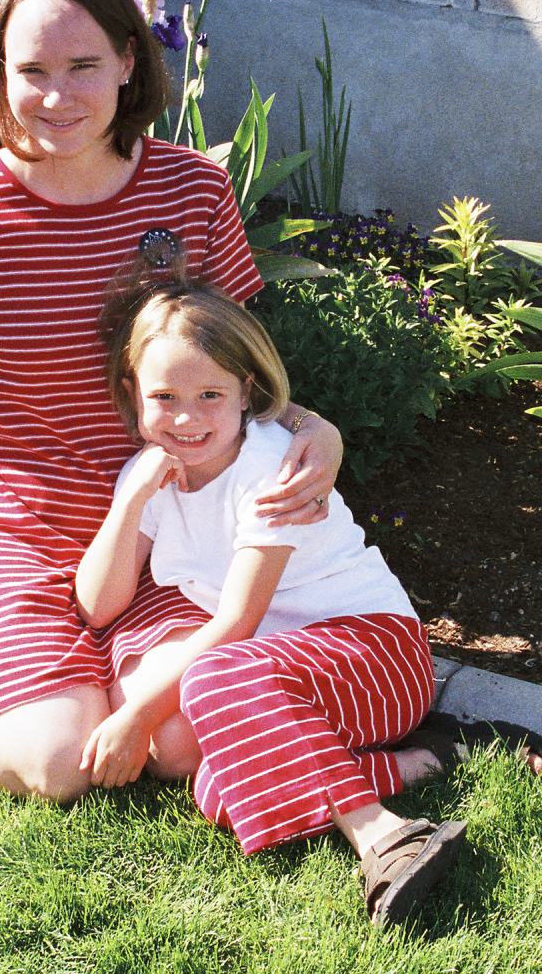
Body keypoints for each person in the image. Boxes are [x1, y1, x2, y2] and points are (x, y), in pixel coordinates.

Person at [0, 0, 343, 804]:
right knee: (57, 764)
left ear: (129, 58)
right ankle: (10, 657)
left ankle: (105, 671)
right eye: (32, 70)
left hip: (173, 530)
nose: (59, 95)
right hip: (14, 535)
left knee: (184, 742)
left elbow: (230, 370)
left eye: (84, 64)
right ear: (1, 77)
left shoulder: (192, 191)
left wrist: (314, 429)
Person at [75, 259, 467, 928]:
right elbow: (99, 606)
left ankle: (384, 838)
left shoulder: (271, 472)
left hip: (375, 655)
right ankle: (429, 756)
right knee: (217, 787)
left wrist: (136, 714)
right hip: (281, 672)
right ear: (132, 392)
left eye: (211, 397)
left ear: (247, 392)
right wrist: (133, 500)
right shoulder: (150, 473)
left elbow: (235, 625)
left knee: (211, 681)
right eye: (164, 397)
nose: (187, 419)